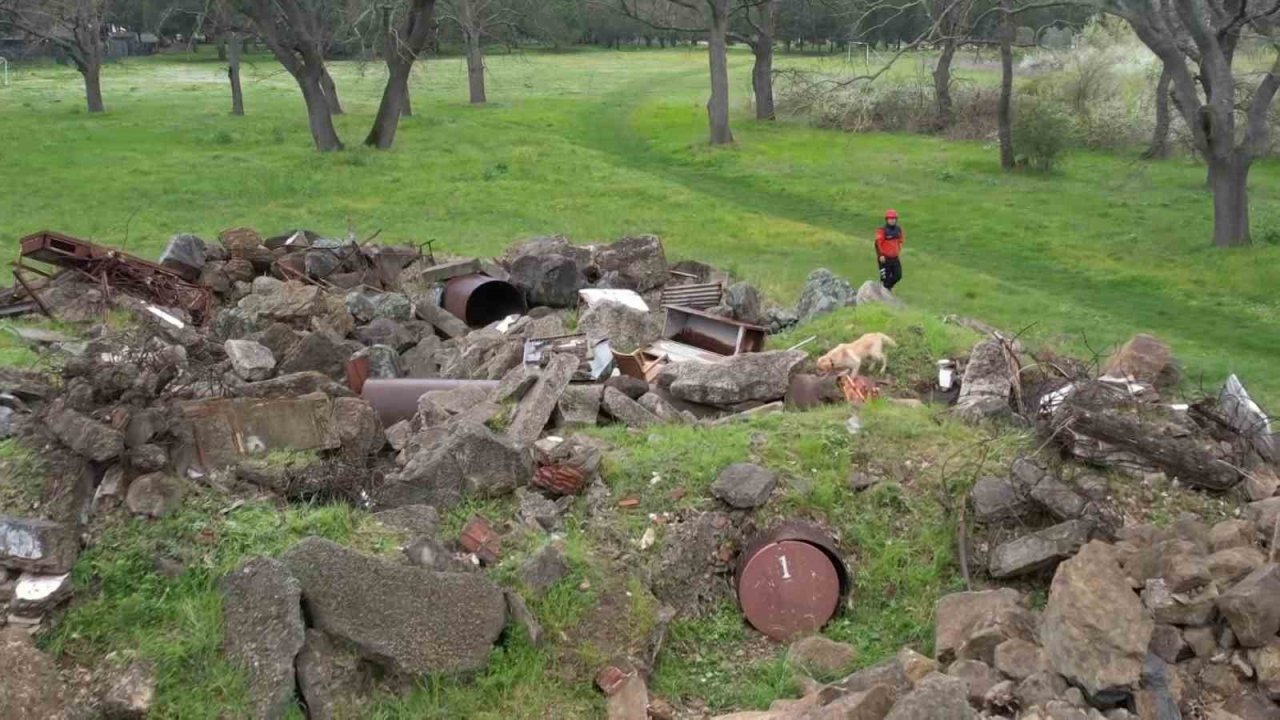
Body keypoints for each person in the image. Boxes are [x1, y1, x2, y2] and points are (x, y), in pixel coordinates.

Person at [875, 209, 904, 291]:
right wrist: (880, 255)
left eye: (894, 219)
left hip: (895, 258)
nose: (892, 220)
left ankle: (888, 288)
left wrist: (898, 250)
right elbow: (877, 244)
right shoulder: (882, 231)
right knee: (884, 279)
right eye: (890, 219)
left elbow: (901, 241)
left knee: (898, 275)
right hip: (884, 259)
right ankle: (884, 291)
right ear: (886, 220)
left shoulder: (899, 230)